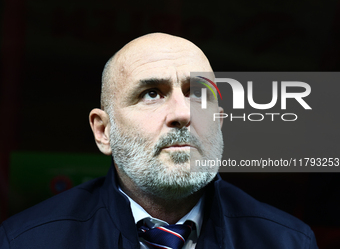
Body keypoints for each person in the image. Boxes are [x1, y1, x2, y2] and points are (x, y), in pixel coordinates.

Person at [0, 33, 318, 248]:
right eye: (152, 94)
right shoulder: (28, 241)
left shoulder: (287, 241)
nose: (182, 114)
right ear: (103, 131)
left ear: (219, 123)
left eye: (198, 94)